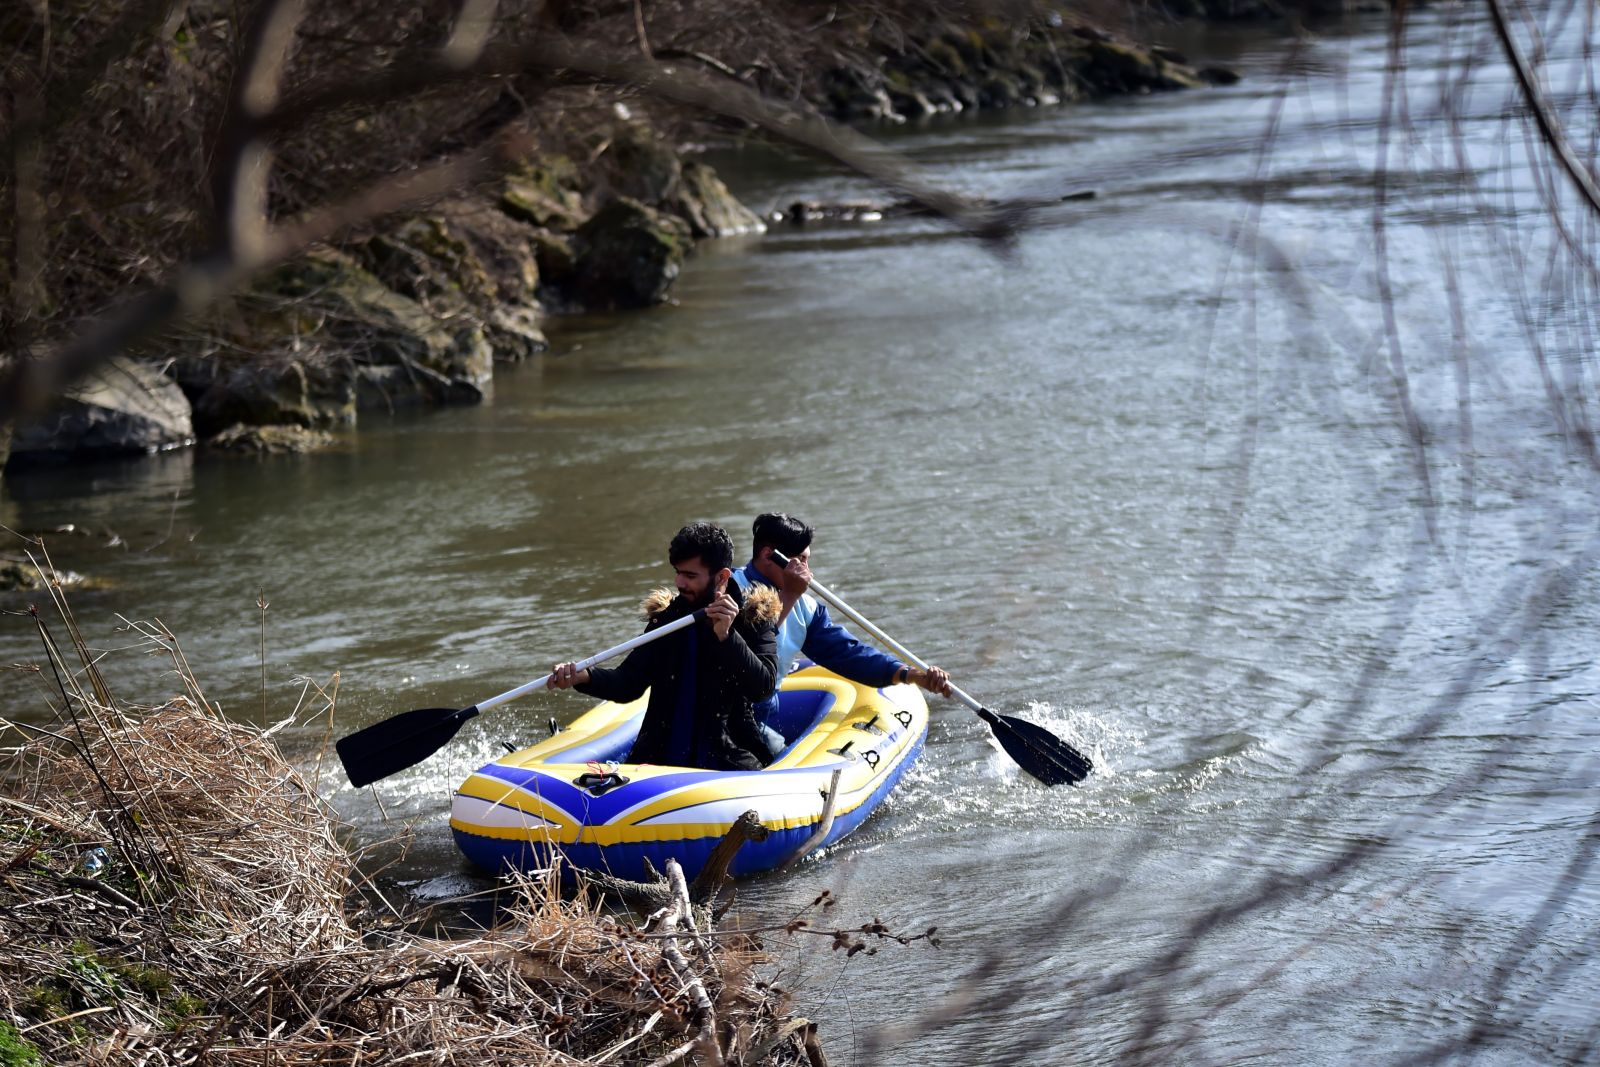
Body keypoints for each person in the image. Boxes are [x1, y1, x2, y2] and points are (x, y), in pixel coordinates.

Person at [546, 522, 780, 771]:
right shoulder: (667, 619)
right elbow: (628, 684)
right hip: (658, 759)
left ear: (722, 576)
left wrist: (727, 635)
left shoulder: (753, 619)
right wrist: (583, 677)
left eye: (690, 576)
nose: (679, 583)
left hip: (726, 758)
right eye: (677, 572)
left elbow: (763, 688)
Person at [731, 513, 953, 755]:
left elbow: (847, 654)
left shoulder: (806, 609)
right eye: (800, 561)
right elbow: (751, 649)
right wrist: (790, 595)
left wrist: (909, 674)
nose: (808, 572)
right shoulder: (728, 591)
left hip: (763, 715)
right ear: (768, 555)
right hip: (722, 715)